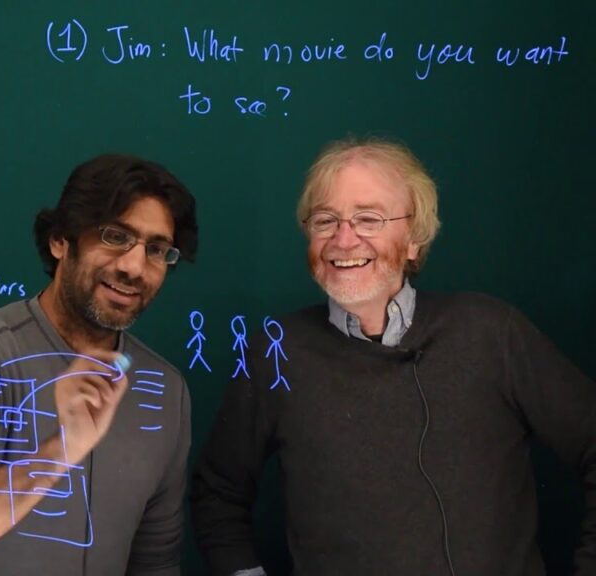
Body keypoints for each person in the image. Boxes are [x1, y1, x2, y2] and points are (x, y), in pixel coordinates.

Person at [190, 136, 596, 576]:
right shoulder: (275, 350)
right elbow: (218, 493)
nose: (344, 240)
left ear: (414, 240)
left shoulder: (492, 332)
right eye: (325, 220)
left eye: (369, 219)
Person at [0, 154, 199, 575]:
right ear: (60, 241)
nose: (133, 266)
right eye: (114, 236)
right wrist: (60, 451)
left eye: (156, 249)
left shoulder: (165, 391)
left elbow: (154, 562)